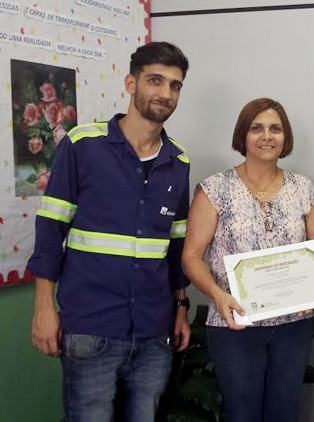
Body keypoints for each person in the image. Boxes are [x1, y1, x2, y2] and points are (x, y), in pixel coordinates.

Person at [27, 41, 191, 421]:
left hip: (154, 331)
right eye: (155, 80)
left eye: (175, 85)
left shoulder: (178, 161)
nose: (165, 93)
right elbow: (50, 229)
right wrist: (43, 310)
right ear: (131, 83)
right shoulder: (83, 145)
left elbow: (175, 248)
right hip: (91, 327)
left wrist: (181, 307)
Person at [181, 98, 314, 422]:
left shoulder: (305, 190)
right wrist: (218, 296)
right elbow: (191, 256)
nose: (267, 136)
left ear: (285, 137)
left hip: (292, 327)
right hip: (235, 324)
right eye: (256, 128)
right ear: (242, 135)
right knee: (241, 413)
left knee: (284, 413)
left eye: (275, 128)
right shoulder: (215, 189)